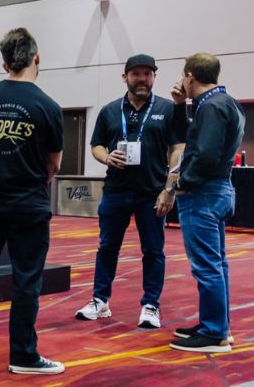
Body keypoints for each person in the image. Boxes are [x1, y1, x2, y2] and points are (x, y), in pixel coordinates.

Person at [0, 28, 64, 374]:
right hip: (29, 206)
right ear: (37, 58)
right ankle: (22, 354)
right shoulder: (48, 106)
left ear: (4, 63)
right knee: (26, 279)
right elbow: (54, 165)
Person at [75, 54, 185, 328]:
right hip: (116, 190)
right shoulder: (110, 111)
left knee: (153, 250)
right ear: (125, 77)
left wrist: (169, 188)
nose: (142, 79)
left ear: (154, 78)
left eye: (148, 74)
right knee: (107, 247)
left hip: (152, 192)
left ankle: (150, 306)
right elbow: (96, 145)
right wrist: (106, 157)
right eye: (136, 74)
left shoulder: (167, 109)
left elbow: (178, 150)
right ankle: (100, 301)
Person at [167, 53, 243, 353]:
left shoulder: (211, 107)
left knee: (207, 266)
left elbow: (204, 152)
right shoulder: (226, 103)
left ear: (190, 77)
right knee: (217, 263)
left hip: (203, 194)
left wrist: (181, 184)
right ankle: (217, 325)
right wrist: (178, 107)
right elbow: (195, 138)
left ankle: (214, 333)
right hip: (219, 190)